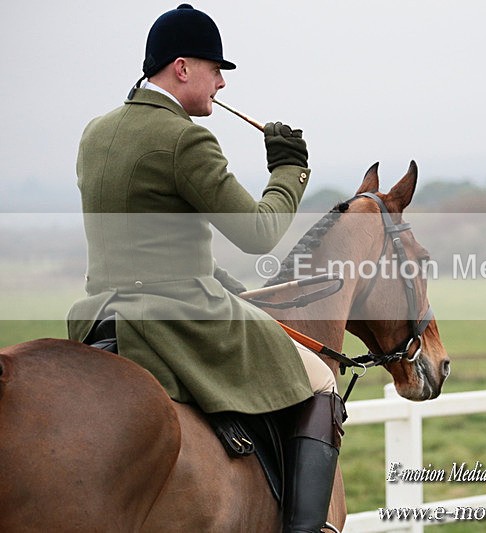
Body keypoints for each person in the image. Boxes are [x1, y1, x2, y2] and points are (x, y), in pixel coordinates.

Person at [66, 5, 344, 533]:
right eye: (215, 68)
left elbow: (150, 233)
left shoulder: (96, 132)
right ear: (181, 68)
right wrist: (289, 168)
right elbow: (258, 231)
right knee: (320, 380)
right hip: (176, 319)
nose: (220, 81)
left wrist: (224, 281)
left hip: (97, 315)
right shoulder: (185, 139)